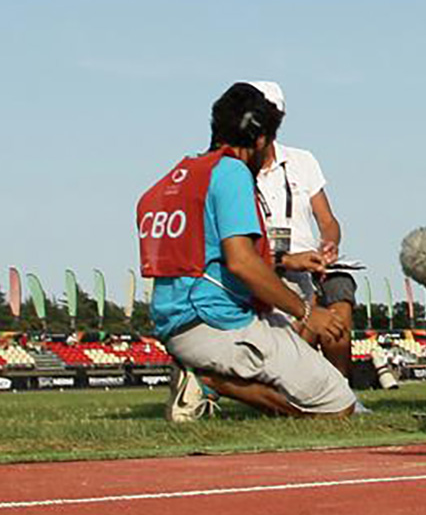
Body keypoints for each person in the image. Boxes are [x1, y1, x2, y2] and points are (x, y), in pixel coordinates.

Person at [138, 80, 357, 420]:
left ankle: (203, 374)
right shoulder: (232, 172)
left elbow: (209, 253)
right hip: (215, 321)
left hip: (175, 321)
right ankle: (208, 379)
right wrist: (306, 311)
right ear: (259, 140)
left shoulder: (180, 174)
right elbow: (241, 263)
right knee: (340, 405)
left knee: (301, 370)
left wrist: (285, 264)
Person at [253, 116, 358, 378]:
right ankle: (305, 382)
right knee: (303, 324)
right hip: (271, 266)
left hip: (313, 263)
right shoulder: (237, 173)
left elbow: (328, 221)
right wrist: (287, 260)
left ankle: (341, 386)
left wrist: (329, 243)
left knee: (340, 294)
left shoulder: (302, 161)